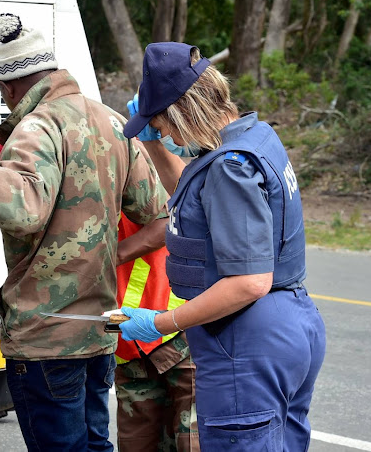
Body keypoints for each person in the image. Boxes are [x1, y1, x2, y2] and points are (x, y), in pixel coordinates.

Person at [0, 13, 169, 451]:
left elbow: (20, 210)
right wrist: (102, 254)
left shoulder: (37, 127)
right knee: (94, 446)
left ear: (12, 86)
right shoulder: (111, 121)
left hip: (46, 338)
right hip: (97, 331)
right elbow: (156, 211)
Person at [118, 42, 327, 451]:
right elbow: (197, 197)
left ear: (183, 111)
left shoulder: (230, 167)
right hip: (290, 323)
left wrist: (162, 323)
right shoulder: (254, 137)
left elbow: (249, 282)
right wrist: (154, 145)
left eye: (163, 126)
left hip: (246, 340)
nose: (166, 135)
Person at [112, 98, 200, 451]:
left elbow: (173, 216)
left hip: (178, 333)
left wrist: (110, 258)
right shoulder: (92, 174)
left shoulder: (152, 168)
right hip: (129, 340)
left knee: (192, 442)